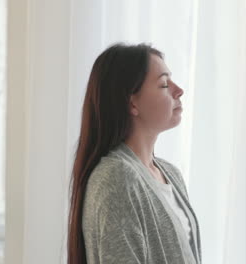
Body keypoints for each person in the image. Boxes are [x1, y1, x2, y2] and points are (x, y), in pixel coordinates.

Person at [67, 43, 201, 264]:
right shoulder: (116, 178)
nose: (179, 90)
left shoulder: (170, 174)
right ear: (132, 103)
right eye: (164, 84)